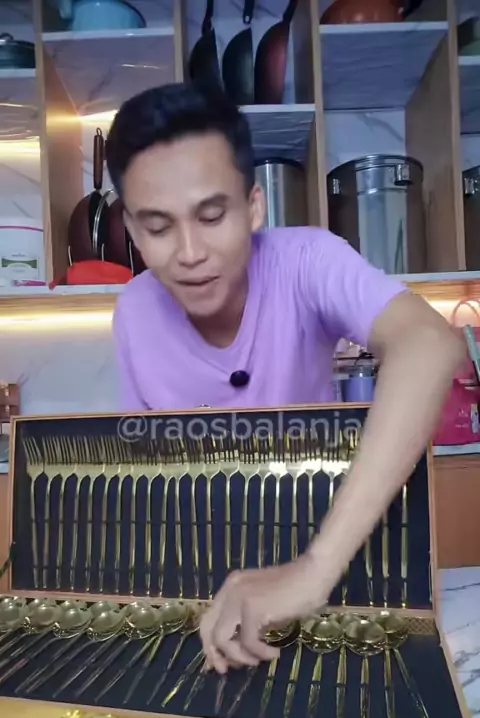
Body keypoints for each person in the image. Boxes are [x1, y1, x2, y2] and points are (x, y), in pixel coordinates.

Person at [106, 82, 464, 676]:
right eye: (159, 227)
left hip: (330, 548)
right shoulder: (134, 313)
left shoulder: (307, 260)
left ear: (253, 207)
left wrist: (314, 567)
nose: (190, 252)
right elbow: (148, 478)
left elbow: (429, 344)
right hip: (206, 582)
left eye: (212, 216)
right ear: (133, 230)